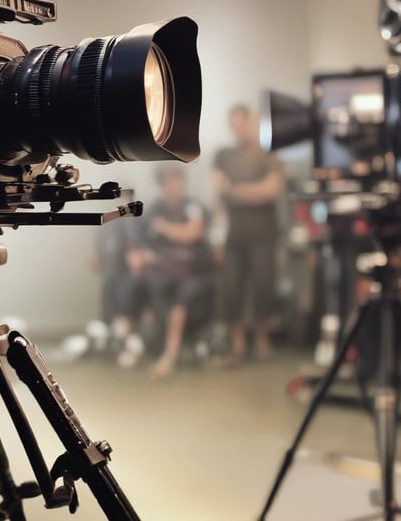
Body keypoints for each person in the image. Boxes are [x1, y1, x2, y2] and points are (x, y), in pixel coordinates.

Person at [110, 166, 212, 377]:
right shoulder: (155, 208)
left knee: (181, 297)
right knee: (130, 284)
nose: (173, 186)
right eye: (168, 182)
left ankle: (169, 356)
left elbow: (192, 233)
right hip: (162, 268)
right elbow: (145, 243)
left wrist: (166, 227)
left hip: (190, 269)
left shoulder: (192, 206)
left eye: (176, 181)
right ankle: (135, 344)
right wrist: (140, 256)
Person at [213, 104, 284, 361]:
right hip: (234, 235)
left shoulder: (268, 154)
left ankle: (262, 341)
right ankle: (238, 345)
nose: (238, 129)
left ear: (251, 122)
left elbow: (270, 190)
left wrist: (234, 191)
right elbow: (217, 192)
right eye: (233, 125)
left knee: (264, 286)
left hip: (263, 234)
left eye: (241, 123)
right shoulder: (223, 155)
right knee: (232, 289)